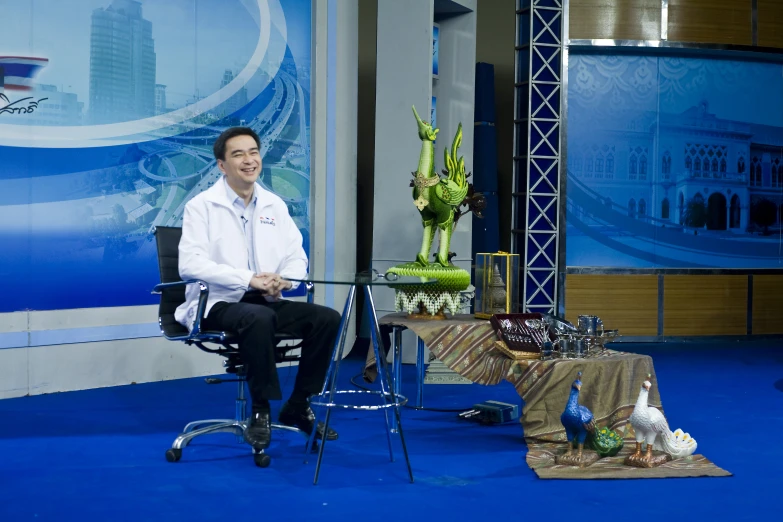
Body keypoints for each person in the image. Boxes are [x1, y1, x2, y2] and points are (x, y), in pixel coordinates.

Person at [174, 127, 341, 450]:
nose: (249, 160)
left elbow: (296, 257)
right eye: (238, 154)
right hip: (219, 303)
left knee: (327, 319)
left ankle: (298, 404)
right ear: (222, 165)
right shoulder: (202, 206)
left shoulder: (274, 205)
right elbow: (190, 265)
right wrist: (247, 278)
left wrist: (284, 280)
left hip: (265, 300)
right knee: (257, 318)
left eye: (253, 152)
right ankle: (261, 410)